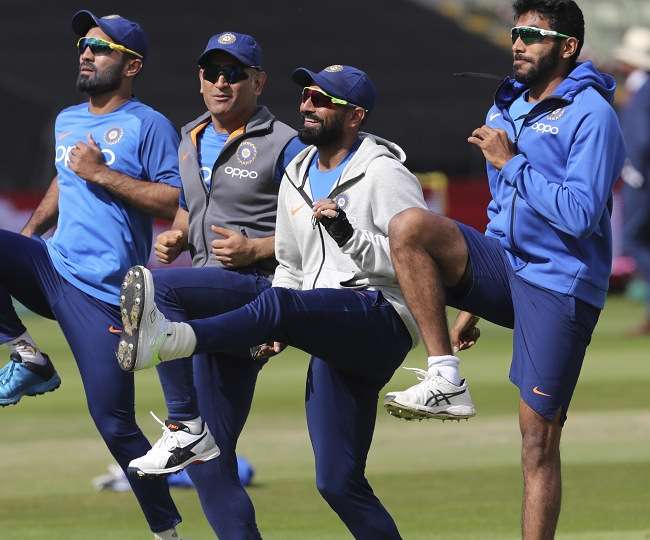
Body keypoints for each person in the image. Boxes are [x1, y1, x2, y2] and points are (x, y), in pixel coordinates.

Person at [115, 64, 461, 539]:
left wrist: (346, 235)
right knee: (338, 483)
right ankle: (185, 408)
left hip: (379, 315)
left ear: (355, 116)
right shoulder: (297, 173)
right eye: (306, 96)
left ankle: (176, 340)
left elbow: (413, 258)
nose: (307, 105)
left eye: (322, 99)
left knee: (278, 306)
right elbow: (291, 264)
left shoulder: (384, 172)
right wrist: (281, 328)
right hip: (329, 328)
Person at [383, 1, 626, 538]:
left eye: (533, 35)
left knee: (537, 441)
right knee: (410, 227)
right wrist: (472, 305)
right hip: (506, 266)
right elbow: (502, 214)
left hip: (560, 283)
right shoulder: (507, 107)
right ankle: (444, 374)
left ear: (567, 47)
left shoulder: (592, 114)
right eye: (516, 33)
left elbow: (581, 215)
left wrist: (510, 162)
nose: (518, 43)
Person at [0, 11, 186, 540]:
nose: (86, 52)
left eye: (101, 48)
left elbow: (174, 200)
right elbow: (65, 181)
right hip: (53, 266)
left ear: (132, 65)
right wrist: (30, 236)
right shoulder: (67, 119)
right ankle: (27, 354)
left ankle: (166, 532)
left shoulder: (149, 124)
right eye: (84, 44)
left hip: (105, 295)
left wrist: (100, 172)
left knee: (114, 424)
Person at [127, 31, 303, 539]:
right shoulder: (190, 135)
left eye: (235, 73)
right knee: (210, 463)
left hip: (255, 291)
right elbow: (191, 209)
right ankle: (191, 435)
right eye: (213, 72)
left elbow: (313, 229)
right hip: (205, 298)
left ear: (258, 82)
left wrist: (256, 249)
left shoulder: (286, 143)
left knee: (159, 290)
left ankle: (182, 423)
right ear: (200, 79)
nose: (222, 82)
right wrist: (179, 235)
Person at [614, 27, 650, 335]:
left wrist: (632, 169)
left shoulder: (641, 91)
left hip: (642, 181)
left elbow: (640, 138)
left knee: (634, 241)